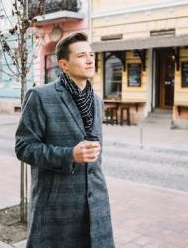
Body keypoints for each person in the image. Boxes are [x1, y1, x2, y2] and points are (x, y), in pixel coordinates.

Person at [15, 32, 115, 248]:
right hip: (57, 207)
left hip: (96, 204)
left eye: (91, 54)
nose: (90, 60)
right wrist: (70, 154)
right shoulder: (41, 96)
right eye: (81, 56)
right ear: (64, 64)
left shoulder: (97, 101)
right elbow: (23, 147)